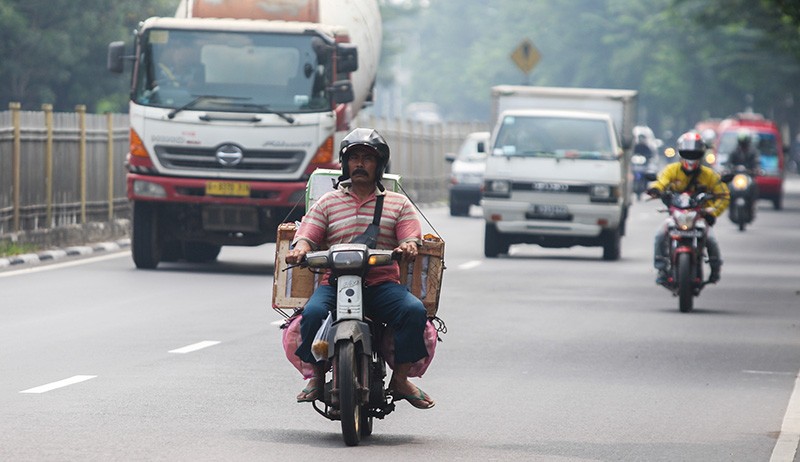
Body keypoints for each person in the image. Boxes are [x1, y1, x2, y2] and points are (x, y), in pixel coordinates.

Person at [285, 128, 435, 410]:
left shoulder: (397, 203)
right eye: (354, 158)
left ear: (379, 165)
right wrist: (301, 248)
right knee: (313, 313)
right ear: (344, 164)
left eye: (367, 158)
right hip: (335, 284)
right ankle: (317, 378)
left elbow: (409, 236)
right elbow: (307, 235)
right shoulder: (328, 201)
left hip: (382, 285)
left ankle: (401, 379)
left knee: (414, 311)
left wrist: (409, 246)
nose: (360, 164)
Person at [647, 131, 730, 284]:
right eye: (687, 153)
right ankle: (661, 269)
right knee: (660, 236)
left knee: (711, 239)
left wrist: (713, 212)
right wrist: (655, 189)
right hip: (677, 215)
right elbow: (661, 181)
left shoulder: (709, 175)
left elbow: (723, 195)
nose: (691, 157)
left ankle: (715, 269)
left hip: (700, 216)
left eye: (694, 154)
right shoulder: (672, 170)